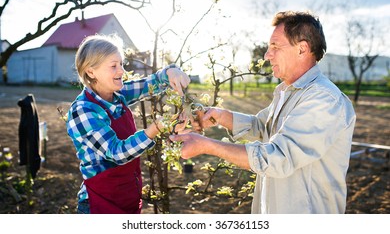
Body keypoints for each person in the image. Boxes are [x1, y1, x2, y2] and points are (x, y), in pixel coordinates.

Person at [170, 11, 356, 214]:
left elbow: (278, 157)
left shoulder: (323, 99)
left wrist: (208, 146)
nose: (267, 55)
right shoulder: (288, 91)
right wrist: (221, 116)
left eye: (275, 47)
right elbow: (262, 126)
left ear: (302, 49)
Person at [66, 34, 190, 214]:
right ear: (91, 72)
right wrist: (154, 129)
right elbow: (117, 153)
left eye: (121, 64)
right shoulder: (83, 111)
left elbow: (150, 84)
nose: (121, 71)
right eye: (113, 66)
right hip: (100, 203)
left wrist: (170, 72)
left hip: (127, 195)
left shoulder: (116, 95)